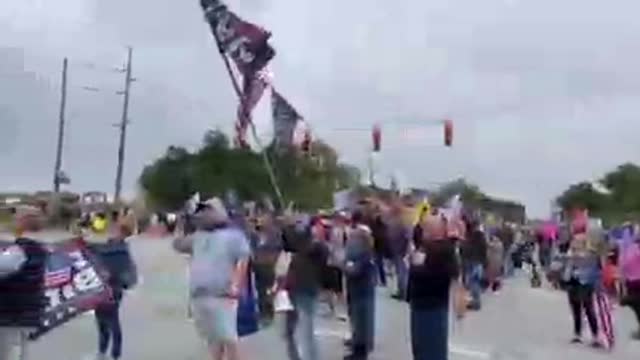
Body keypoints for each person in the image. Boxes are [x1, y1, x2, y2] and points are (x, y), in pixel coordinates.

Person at [173, 198, 251, 360]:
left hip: (222, 296)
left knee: (229, 338)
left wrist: (236, 285)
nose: (202, 214)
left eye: (207, 210)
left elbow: (243, 260)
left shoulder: (234, 236)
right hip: (199, 295)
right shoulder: (197, 237)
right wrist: (180, 223)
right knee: (213, 340)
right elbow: (178, 245)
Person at [407, 214, 461, 360]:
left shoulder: (444, 250)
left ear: (436, 230)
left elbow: (447, 275)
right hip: (420, 304)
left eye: (426, 228)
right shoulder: (426, 247)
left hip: (432, 306)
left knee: (431, 349)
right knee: (420, 347)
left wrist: (416, 266)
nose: (423, 232)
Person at [280, 213, 328, 360]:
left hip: (304, 289)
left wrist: (288, 225)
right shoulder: (310, 246)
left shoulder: (314, 247)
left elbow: (292, 240)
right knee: (291, 331)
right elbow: (287, 241)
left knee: (305, 331)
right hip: (294, 289)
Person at [89, 223, 138, 360]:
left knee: (112, 320)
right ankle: (102, 351)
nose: (111, 232)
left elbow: (127, 271)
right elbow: (93, 250)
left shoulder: (122, 250)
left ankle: (115, 354)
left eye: (115, 230)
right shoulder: (108, 245)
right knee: (100, 320)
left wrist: (123, 282)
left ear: (123, 234)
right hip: (99, 288)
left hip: (114, 288)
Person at [0, 234, 48, 360]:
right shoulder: (39, 260)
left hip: (10, 318)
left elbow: (8, 278)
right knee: (23, 352)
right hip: (29, 317)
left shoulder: (14, 259)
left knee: (9, 352)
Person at [343, 211, 376, 360]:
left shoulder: (365, 254)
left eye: (354, 239)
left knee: (362, 319)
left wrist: (344, 266)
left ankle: (361, 350)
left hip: (362, 290)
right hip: (356, 289)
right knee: (357, 319)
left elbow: (355, 270)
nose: (351, 241)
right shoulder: (359, 252)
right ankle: (358, 346)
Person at [563, 233, 601, 346]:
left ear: (584, 243)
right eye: (575, 241)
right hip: (573, 284)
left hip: (586, 285)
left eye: (578, 241)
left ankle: (595, 336)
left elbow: (596, 271)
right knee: (576, 310)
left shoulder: (591, 254)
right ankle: (577, 334)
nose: (575, 243)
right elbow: (566, 273)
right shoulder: (570, 254)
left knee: (589, 309)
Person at [460, 220, 487, 310]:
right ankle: (475, 302)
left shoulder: (471, 236)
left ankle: (476, 303)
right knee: (475, 282)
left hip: (472, 261)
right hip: (477, 261)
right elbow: (484, 250)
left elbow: (465, 249)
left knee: (473, 282)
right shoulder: (481, 236)